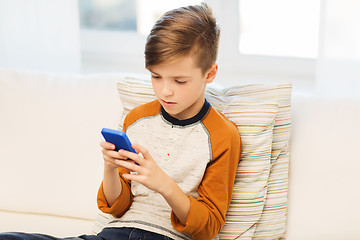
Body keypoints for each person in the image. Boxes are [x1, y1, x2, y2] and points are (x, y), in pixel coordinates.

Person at [0, 3, 240, 240]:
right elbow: (118, 206)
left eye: (179, 81)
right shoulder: (137, 119)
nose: (165, 91)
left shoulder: (221, 135)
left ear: (209, 74)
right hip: (114, 234)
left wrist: (164, 184)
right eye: (156, 76)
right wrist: (110, 167)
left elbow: (209, 227)